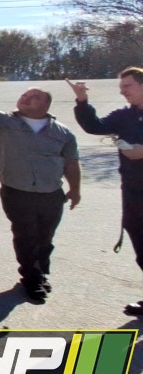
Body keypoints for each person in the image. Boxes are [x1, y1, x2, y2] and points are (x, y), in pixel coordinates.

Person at [0, 88, 81, 303]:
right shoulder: (2, 122)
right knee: (26, 235)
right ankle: (32, 278)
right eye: (24, 95)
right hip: (17, 193)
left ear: (46, 105)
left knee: (46, 237)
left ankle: (40, 272)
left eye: (34, 96)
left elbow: (71, 164)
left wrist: (75, 190)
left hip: (52, 194)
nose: (26, 98)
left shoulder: (63, 133)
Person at [66, 68, 143, 316]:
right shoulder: (125, 115)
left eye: (127, 86)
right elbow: (94, 126)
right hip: (134, 191)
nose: (122, 91)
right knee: (140, 241)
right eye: (121, 87)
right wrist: (82, 100)